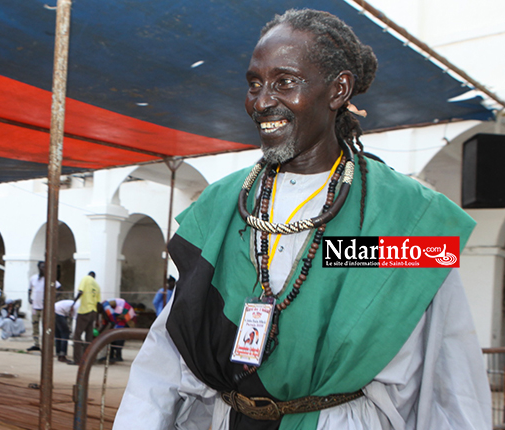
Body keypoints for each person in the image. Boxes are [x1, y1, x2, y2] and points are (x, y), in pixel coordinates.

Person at [114, 9, 490, 430]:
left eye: (284, 82)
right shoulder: (221, 205)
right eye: (254, 84)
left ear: (338, 90)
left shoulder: (407, 217)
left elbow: (449, 380)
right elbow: (167, 357)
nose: (261, 102)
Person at [27, 261, 61, 352]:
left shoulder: (49, 279)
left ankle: (46, 344)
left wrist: (51, 299)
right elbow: (29, 289)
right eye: (41, 267)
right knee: (35, 325)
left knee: (45, 326)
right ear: (38, 268)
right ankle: (36, 343)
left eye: (44, 267)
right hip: (35, 306)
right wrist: (29, 298)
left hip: (45, 308)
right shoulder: (33, 278)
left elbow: (59, 289)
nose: (43, 269)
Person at [69, 271, 101, 365]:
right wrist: (97, 318)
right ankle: (88, 360)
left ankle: (77, 360)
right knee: (89, 337)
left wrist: (73, 302)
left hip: (85, 311)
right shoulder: (97, 285)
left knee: (77, 336)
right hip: (93, 312)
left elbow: (80, 292)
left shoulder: (86, 278)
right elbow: (98, 304)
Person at [97, 298, 136, 362]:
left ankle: (118, 356)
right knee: (112, 337)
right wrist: (98, 332)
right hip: (120, 318)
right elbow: (105, 323)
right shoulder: (104, 311)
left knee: (119, 336)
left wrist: (108, 331)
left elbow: (113, 320)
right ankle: (110, 356)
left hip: (127, 317)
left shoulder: (107, 308)